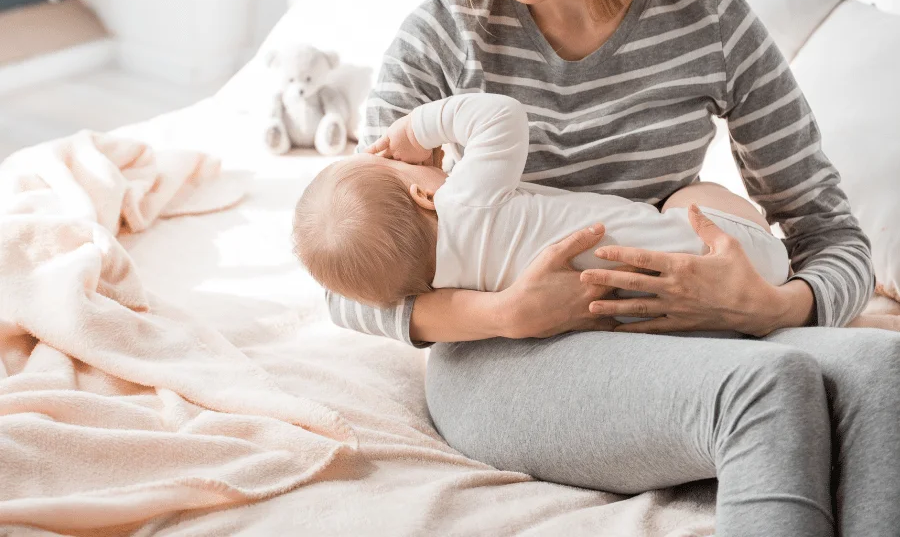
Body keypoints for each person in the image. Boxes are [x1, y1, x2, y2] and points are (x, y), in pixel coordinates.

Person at [322, 0, 898, 536]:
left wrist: (771, 302)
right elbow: (349, 274)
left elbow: (831, 235)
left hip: (672, 334)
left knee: (885, 372)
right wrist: (507, 312)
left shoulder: (710, 23)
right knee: (767, 391)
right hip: (502, 359)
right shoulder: (444, 34)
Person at [295, 92, 790, 344]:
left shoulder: (451, 285)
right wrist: (416, 128)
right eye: (392, 162)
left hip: (675, 325)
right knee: (692, 193)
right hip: (746, 264)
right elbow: (500, 116)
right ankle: (772, 246)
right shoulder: (466, 198)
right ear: (424, 197)